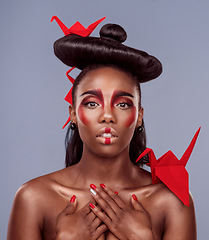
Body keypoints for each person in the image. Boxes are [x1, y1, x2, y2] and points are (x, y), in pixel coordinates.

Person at [7, 16, 197, 240]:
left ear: (139, 117)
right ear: (73, 115)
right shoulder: (33, 198)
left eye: (123, 104)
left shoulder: (172, 201)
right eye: (92, 103)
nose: (107, 116)